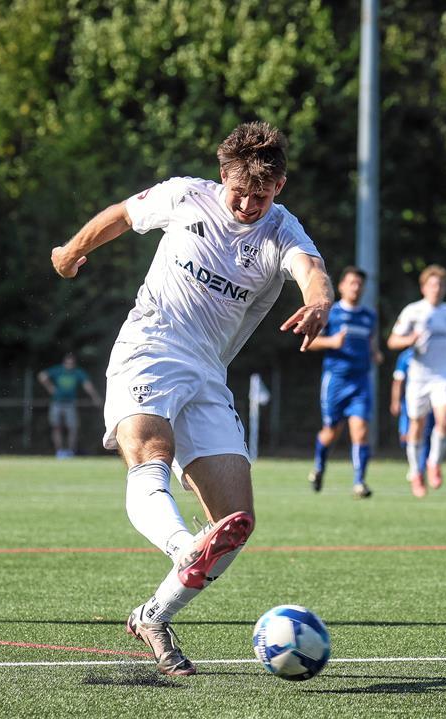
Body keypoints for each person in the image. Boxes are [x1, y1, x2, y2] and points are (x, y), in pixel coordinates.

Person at [50, 121, 332, 676]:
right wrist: (70, 250)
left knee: (235, 522)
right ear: (221, 175)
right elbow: (123, 216)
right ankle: (183, 548)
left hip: (208, 374)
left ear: (280, 188)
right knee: (149, 453)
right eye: (240, 192)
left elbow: (311, 269)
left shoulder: (281, 230)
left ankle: (152, 615)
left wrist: (319, 302)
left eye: (264, 195)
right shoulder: (185, 195)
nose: (250, 205)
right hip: (149, 345)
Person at [387, 265, 446, 498]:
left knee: (444, 418)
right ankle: (416, 471)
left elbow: (444, 344)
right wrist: (409, 339)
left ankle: (434, 462)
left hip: (443, 374)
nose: (437, 289)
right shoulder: (413, 311)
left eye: (441, 285)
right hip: (419, 376)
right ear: (424, 287)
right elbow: (392, 341)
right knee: (417, 426)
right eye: (433, 284)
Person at [305, 266, 380, 498]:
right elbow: (310, 342)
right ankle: (319, 467)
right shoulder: (333, 313)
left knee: (361, 430)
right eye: (351, 283)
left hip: (361, 381)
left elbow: (372, 346)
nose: (356, 287)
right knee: (331, 431)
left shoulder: (369, 316)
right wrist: (331, 342)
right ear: (341, 286)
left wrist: (376, 355)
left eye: (359, 284)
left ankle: (359, 482)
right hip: (336, 381)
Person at [37, 352, 103, 458]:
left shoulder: (77, 373)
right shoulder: (58, 370)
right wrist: (51, 388)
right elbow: (42, 376)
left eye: (71, 363)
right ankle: (59, 452)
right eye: (68, 363)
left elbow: (87, 386)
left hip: (70, 404)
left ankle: (70, 451)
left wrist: (95, 397)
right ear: (64, 363)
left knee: (73, 428)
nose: (69, 365)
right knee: (56, 427)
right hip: (57, 403)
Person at [390, 347, 433, 480]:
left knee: (426, 434)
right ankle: (415, 465)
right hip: (409, 402)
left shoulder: (431, 354)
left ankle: (420, 469)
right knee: (405, 437)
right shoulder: (405, 357)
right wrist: (395, 401)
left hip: (428, 401)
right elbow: (398, 381)